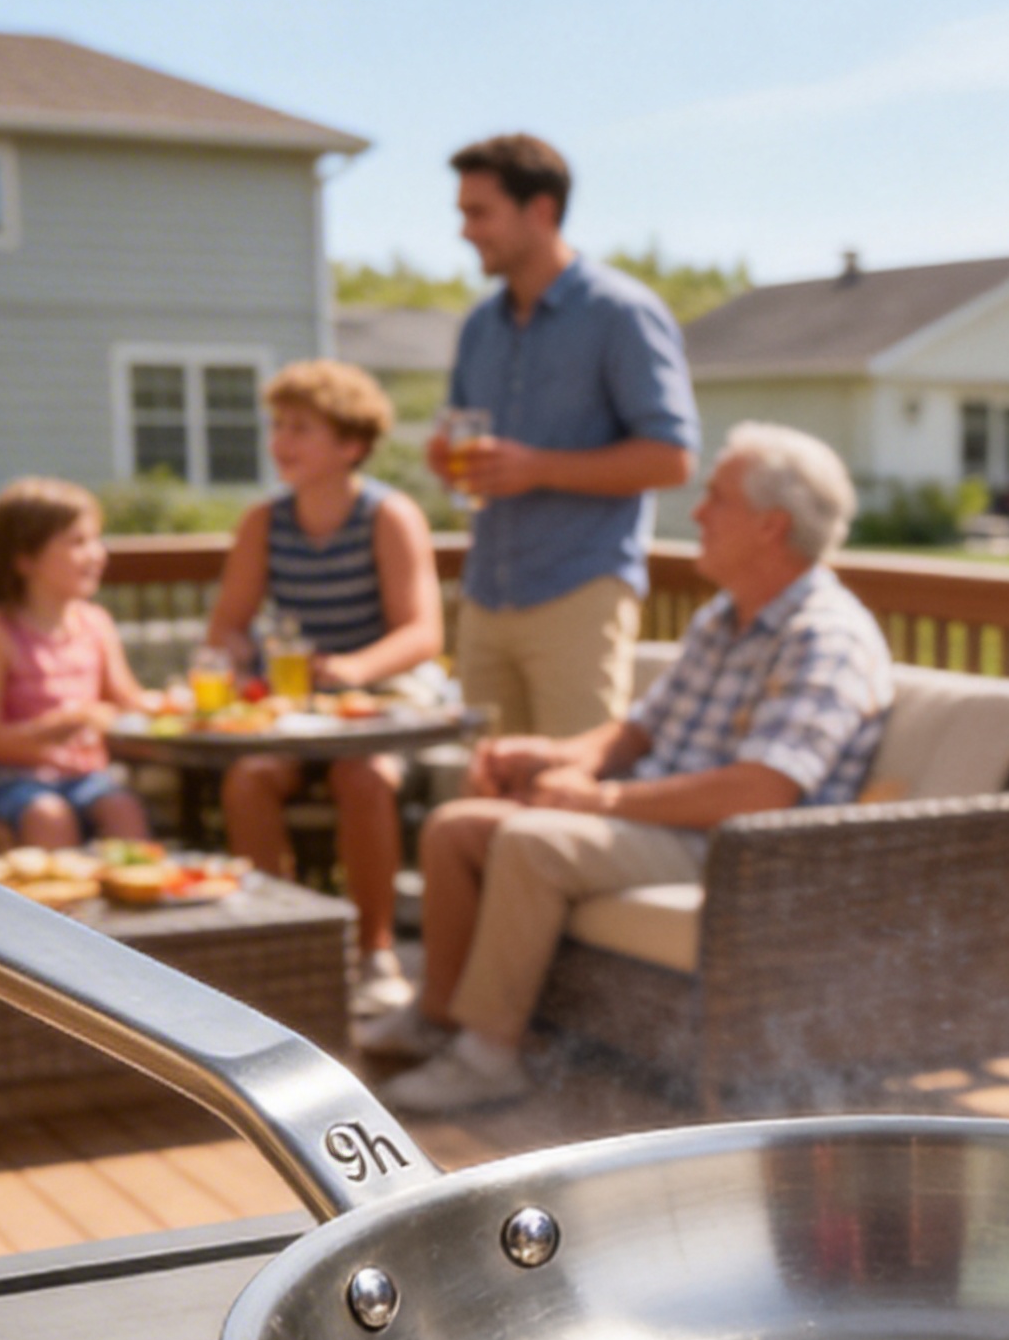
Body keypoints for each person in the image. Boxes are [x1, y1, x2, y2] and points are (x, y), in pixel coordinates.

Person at [366, 425, 889, 1113]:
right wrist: (554, 756)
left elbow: (762, 790)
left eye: (715, 498)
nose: (696, 513)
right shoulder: (725, 617)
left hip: (744, 854)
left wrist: (598, 801)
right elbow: (639, 730)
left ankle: (491, 1056)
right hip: (664, 823)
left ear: (771, 526)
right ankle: (438, 1018)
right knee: (456, 828)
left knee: (533, 840)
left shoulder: (824, 636)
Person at [435, 134, 696, 745]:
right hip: (485, 596)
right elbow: (465, 441)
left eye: (479, 212)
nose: (465, 230)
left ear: (542, 210)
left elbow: (672, 458)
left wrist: (537, 467)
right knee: (486, 791)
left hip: (579, 595)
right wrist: (449, 462)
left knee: (569, 798)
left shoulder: (621, 314)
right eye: (461, 213)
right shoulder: (479, 326)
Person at [210, 361, 446, 1015]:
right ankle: (283, 949)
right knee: (248, 779)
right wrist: (235, 663)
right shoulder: (264, 523)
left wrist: (352, 670)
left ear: (350, 444)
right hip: (299, 712)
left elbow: (422, 632)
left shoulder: (388, 516)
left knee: (363, 777)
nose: (281, 441)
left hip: (380, 705)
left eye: (300, 428)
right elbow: (227, 626)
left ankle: (374, 954)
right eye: (277, 425)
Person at [0, 479, 154, 848]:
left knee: (124, 810)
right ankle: (61, 906)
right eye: (77, 542)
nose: (97, 554)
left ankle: (137, 893)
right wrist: (63, 727)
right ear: (25, 559)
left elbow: (128, 701)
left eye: (96, 539)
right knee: (49, 817)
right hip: (12, 778)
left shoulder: (95, 622)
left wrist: (181, 703)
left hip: (87, 775)